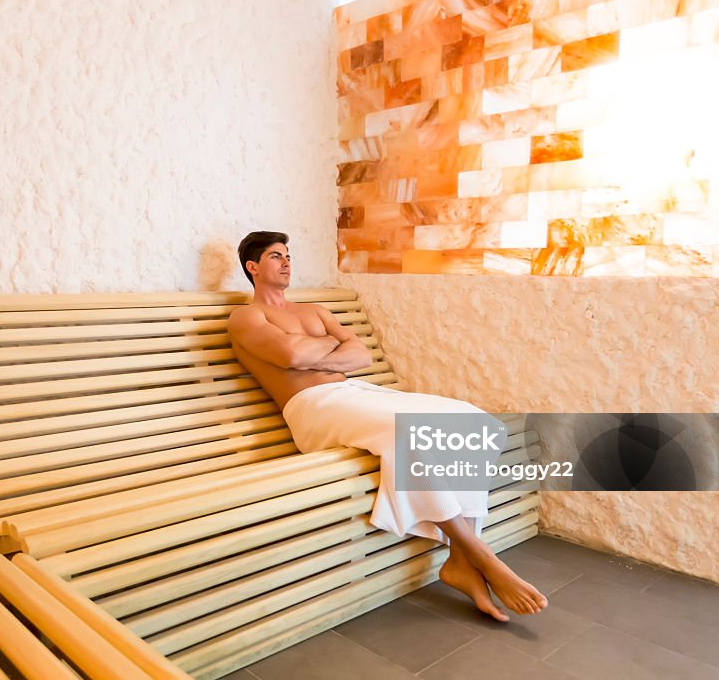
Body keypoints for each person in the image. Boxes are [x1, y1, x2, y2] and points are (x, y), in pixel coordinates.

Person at [227, 231, 548, 621]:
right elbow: (291, 354)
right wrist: (328, 348)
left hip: (359, 393)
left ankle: (460, 562)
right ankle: (478, 551)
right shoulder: (247, 316)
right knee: (408, 434)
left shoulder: (314, 311)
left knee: (470, 418)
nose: (286, 262)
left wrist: (312, 354)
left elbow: (358, 354)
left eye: (288, 255)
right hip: (314, 408)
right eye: (276, 256)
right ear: (253, 267)